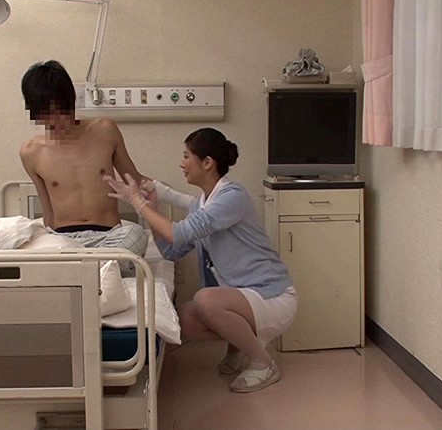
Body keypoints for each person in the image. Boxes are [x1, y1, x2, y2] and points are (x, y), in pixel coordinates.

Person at [105, 128, 298, 393]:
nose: (182, 163)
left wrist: (138, 203)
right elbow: (172, 250)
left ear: (207, 162)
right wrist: (153, 207)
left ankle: (263, 363)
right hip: (244, 296)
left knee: (206, 300)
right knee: (184, 320)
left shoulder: (232, 196)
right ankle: (237, 348)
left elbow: (177, 232)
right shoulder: (202, 204)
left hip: (272, 295)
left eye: (187, 156)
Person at [19, 60, 148, 265]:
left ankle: (83, 268)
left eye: (59, 112)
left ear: (70, 102)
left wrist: (180, 199)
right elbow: (48, 211)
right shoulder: (31, 153)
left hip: (110, 237)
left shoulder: (105, 131)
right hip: (65, 241)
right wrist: (49, 243)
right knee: (36, 249)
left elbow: (135, 180)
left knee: (138, 234)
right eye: (46, 115)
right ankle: (99, 267)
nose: (55, 121)